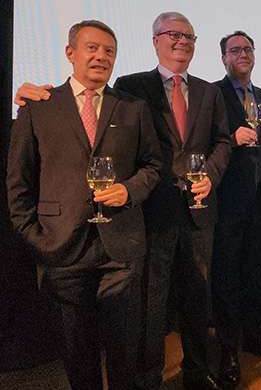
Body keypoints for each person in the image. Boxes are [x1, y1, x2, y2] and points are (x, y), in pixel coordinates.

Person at [14, 12, 231, 389]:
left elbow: (220, 142)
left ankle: (197, 374)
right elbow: (25, 176)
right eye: (173, 34)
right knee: (146, 310)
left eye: (189, 36)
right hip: (144, 216)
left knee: (196, 299)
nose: (182, 41)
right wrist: (27, 96)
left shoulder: (208, 92)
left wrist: (208, 174)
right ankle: (149, 380)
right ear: (155, 41)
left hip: (189, 214)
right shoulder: (130, 87)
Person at [7, 20, 162, 390]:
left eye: (109, 51)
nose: (101, 56)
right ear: (70, 53)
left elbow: (153, 166)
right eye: (92, 48)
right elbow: (18, 182)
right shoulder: (38, 106)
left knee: (124, 353)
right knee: (78, 354)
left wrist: (129, 190)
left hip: (120, 247)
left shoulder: (133, 108)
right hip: (61, 247)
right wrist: (36, 237)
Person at [212, 30, 261, 387]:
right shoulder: (212, 94)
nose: (242, 54)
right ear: (224, 58)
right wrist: (232, 137)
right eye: (235, 50)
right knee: (227, 278)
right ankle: (228, 349)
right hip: (228, 201)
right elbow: (204, 141)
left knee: (258, 274)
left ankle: (255, 336)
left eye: (248, 49)